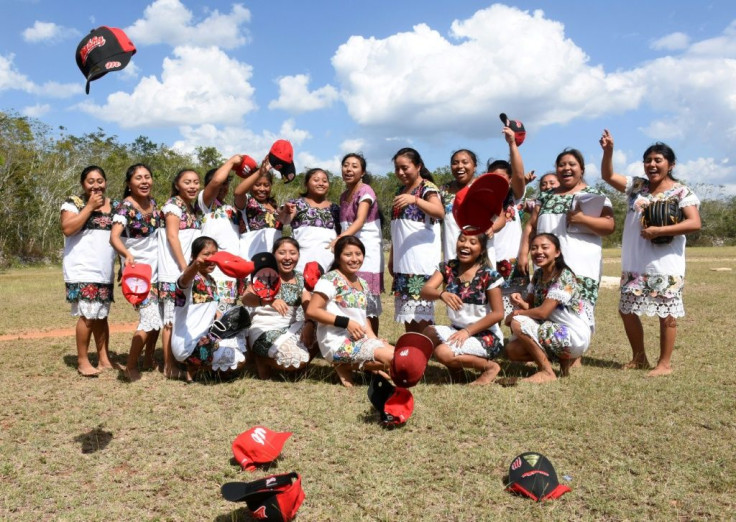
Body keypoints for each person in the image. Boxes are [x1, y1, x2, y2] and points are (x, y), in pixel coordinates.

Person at [599, 129, 701, 376]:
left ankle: (664, 364)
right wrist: (609, 151)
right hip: (635, 261)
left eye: (658, 160)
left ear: (671, 164)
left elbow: (694, 223)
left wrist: (659, 230)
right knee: (626, 309)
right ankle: (639, 357)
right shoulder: (637, 186)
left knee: (666, 312)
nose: (652, 164)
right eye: (648, 160)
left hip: (665, 263)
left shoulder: (681, 192)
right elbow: (608, 175)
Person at [517, 148, 615, 329]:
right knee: (543, 303)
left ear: (582, 169)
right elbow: (531, 225)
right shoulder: (545, 196)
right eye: (562, 165)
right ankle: (546, 345)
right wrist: (523, 252)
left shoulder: (593, 194)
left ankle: (574, 349)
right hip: (547, 264)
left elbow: (609, 226)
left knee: (576, 312)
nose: (566, 168)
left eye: (572, 164)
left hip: (581, 265)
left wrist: (582, 219)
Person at [306, 236, 394, 387]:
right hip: (336, 341)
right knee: (393, 360)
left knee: (401, 356)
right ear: (338, 257)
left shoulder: (362, 283)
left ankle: (356, 366)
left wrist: (374, 339)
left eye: (358, 254)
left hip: (360, 339)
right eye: (348, 255)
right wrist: (346, 323)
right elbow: (312, 310)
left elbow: (363, 317)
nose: (354, 259)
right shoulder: (330, 279)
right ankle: (344, 365)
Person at [420, 232, 505, 385]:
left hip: (485, 336)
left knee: (442, 352)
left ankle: (490, 368)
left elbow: (498, 314)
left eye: (473, 242)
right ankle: (458, 375)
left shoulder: (489, 275)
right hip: (457, 329)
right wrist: (441, 294)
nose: (465, 245)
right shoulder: (448, 267)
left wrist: (467, 331)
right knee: (428, 333)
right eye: (462, 240)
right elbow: (425, 291)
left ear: (482, 250)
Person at [505, 233, 591, 383]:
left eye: (545, 247)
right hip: (555, 329)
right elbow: (532, 306)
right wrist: (519, 302)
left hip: (574, 335)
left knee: (518, 322)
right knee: (513, 350)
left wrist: (516, 313)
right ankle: (561, 362)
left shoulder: (564, 276)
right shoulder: (538, 274)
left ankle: (547, 371)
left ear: (557, 252)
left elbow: (543, 312)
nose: (538, 251)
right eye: (534, 248)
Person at [61, 165, 116, 376]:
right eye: (90, 181)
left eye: (100, 180)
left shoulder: (114, 205)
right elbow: (68, 228)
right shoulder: (73, 203)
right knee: (88, 315)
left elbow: (118, 236)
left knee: (101, 315)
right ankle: (83, 361)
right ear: (83, 184)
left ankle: (104, 358)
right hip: (82, 268)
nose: (96, 185)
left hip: (105, 268)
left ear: (106, 182)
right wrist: (90, 207)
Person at [110, 163, 162, 381]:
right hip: (138, 274)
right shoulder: (124, 208)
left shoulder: (153, 203)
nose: (144, 181)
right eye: (138, 178)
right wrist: (127, 256)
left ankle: (148, 358)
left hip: (159, 270)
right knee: (149, 318)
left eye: (147, 177)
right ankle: (130, 366)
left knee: (158, 318)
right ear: (129, 184)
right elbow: (113, 237)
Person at [171, 236, 246, 382]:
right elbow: (183, 281)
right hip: (188, 346)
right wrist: (195, 266)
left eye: (215, 254)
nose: (212, 259)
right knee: (239, 358)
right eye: (206, 254)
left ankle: (195, 370)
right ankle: (197, 367)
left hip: (201, 340)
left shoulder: (210, 281)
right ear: (193, 256)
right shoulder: (190, 279)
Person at [390, 148, 445, 333]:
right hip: (403, 263)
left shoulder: (427, 188)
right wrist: (392, 258)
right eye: (397, 169)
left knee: (422, 317)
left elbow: (439, 212)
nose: (400, 173)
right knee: (409, 316)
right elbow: (397, 229)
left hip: (420, 264)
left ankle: (427, 350)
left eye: (405, 168)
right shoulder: (401, 190)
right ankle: (414, 353)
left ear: (418, 166)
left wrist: (415, 200)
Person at [243, 238, 315, 379]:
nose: (287, 257)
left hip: (291, 329)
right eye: (282, 252)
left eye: (292, 253)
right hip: (264, 329)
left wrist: (310, 324)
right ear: (274, 254)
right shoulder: (263, 274)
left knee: (321, 327)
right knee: (296, 360)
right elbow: (246, 298)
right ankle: (262, 360)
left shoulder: (300, 278)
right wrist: (267, 300)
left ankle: (296, 367)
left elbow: (309, 306)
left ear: (298, 255)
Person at [332, 153, 384, 334]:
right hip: (349, 248)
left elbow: (360, 220)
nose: (349, 169)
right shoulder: (344, 195)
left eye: (354, 166)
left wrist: (339, 240)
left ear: (362, 172)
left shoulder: (365, 191)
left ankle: (373, 342)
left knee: (367, 301)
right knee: (350, 295)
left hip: (366, 250)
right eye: (346, 165)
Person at [158, 168, 202, 379]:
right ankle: (168, 365)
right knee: (170, 320)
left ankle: (180, 361)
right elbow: (172, 237)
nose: (192, 186)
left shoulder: (191, 207)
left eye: (195, 182)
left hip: (186, 271)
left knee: (181, 317)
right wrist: (186, 266)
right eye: (187, 182)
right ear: (177, 184)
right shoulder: (173, 206)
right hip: (174, 270)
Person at [484, 127, 528, 317]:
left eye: (502, 178)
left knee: (516, 307)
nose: (497, 182)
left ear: (509, 180)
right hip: (489, 261)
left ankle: (516, 343)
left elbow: (519, 175)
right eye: (493, 177)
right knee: (491, 308)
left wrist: (512, 144)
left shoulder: (514, 198)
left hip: (513, 261)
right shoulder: (482, 200)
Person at [198, 161, 241, 311]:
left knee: (224, 322)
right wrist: (233, 161)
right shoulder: (206, 204)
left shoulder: (231, 210)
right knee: (210, 320)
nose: (222, 187)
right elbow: (216, 181)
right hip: (213, 273)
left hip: (230, 276)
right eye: (219, 184)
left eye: (226, 184)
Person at [282, 168, 341, 273]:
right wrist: (284, 211)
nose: (321, 183)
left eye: (324, 181)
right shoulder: (297, 204)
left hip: (328, 265)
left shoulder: (335, 209)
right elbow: (284, 220)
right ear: (306, 184)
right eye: (316, 180)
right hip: (301, 264)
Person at [233, 156, 284, 261]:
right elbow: (237, 193)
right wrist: (260, 172)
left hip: (272, 263)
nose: (262, 189)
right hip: (250, 260)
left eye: (266, 185)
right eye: (257, 185)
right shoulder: (247, 202)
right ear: (251, 186)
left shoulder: (275, 207)